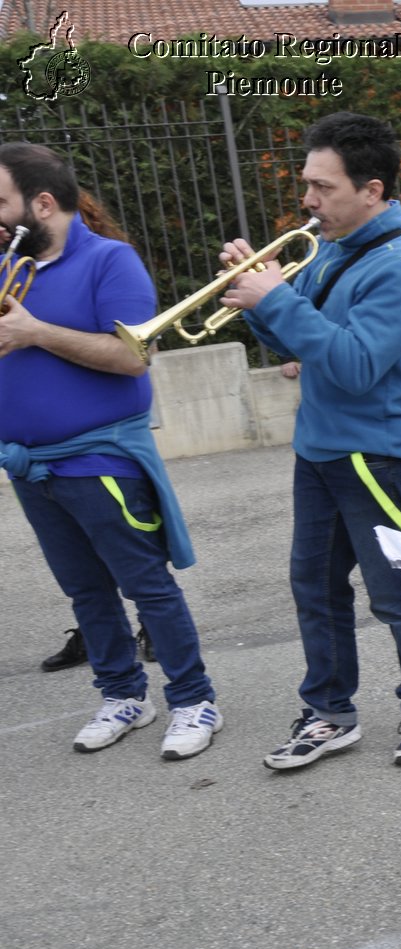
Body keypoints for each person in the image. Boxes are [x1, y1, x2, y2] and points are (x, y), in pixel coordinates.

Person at [218, 111, 401, 770]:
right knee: (314, 589)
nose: (308, 200)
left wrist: (277, 299)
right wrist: (259, 298)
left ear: (372, 190)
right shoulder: (332, 251)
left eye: (322, 187)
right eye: (307, 184)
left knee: (396, 594)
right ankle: (329, 712)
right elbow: (299, 342)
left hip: (379, 454)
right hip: (319, 449)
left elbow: (355, 365)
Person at [0, 142, 222, 759]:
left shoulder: (110, 262)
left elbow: (130, 357)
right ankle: (123, 694)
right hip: (29, 464)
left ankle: (193, 699)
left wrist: (35, 331)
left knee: (145, 585)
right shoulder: (4, 265)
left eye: (0, 201)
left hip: (99, 458)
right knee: (85, 592)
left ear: (42, 204)